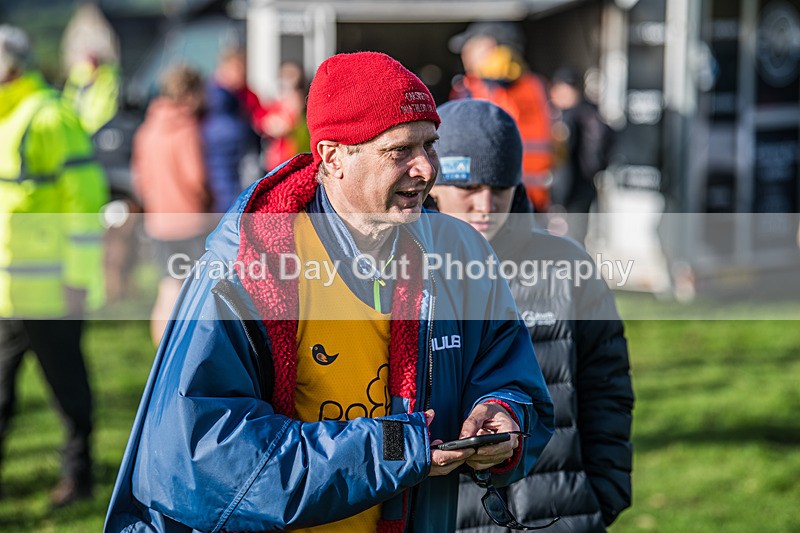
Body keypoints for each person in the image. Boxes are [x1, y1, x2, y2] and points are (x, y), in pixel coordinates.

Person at [105, 51, 554, 532]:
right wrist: (397, 447)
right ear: (333, 157)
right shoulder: (245, 270)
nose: (426, 169)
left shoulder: (460, 251)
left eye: (431, 144)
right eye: (399, 150)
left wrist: (505, 413)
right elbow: (203, 460)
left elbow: (510, 372)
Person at [426, 99, 633, 532]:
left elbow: (607, 389)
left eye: (500, 187)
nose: (485, 204)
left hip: (563, 513)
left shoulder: (567, 267)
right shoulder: (402, 273)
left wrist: (604, 493)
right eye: (469, 187)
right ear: (433, 185)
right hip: (444, 514)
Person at [0, 25, 108, 507]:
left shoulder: (48, 115)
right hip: (7, 292)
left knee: (67, 390)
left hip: (51, 290)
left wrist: (79, 279)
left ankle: (79, 478)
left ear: (13, 65)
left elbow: (84, 203)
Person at [131, 65, 212, 345]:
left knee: (167, 287)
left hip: (158, 220)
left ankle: (161, 352)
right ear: (190, 94)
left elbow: (140, 177)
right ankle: (186, 350)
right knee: (196, 291)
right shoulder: (188, 128)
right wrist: (206, 197)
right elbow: (196, 177)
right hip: (189, 220)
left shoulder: (147, 128)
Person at [448, 21, 553, 214]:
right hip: (534, 198)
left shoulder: (471, 89)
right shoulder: (537, 86)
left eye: (469, 47)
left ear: (488, 46)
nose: (464, 54)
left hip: (488, 201)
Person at [548, 67, 614, 246]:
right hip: (581, 190)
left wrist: (558, 198)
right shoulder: (590, 113)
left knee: (566, 247)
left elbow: (565, 166)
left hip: (570, 195)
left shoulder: (570, 118)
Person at [203, 47, 262, 213]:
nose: (243, 74)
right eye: (239, 69)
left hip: (230, 184)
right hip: (225, 188)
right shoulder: (219, 101)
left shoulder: (241, 96)